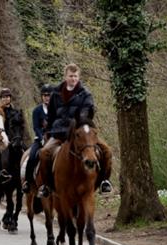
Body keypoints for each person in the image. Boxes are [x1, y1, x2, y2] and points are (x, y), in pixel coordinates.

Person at [37, 63, 113, 197]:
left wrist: (77, 123)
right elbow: (51, 115)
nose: (73, 79)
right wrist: (48, 132)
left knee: (106, 150)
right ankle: (46, 186)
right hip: (59, 133)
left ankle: (104, 181)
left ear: (79, 77)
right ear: (65, 77)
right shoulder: (55, 93)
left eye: (76, 76)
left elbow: (87, 111)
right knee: (44, 153)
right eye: (71, 76)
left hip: (80, 133)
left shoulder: (85, 93)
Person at [21, 84, 52, 193]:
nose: (46, 97)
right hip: (40, 139)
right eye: (44, 95)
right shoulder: (37, 111)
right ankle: (28, 182)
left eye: (49, 95)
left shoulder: (57, 110)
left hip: (54, 139)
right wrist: (42, 138)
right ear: (41, 97)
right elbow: (36, 127)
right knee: (32, 157)